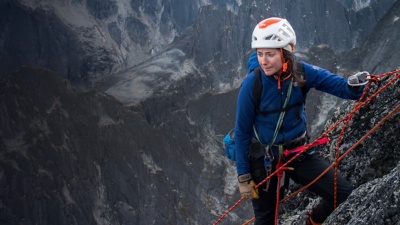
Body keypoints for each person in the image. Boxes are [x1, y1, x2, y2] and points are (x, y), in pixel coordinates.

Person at [234, 17, 366, 225]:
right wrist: (243, 176)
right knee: (266, 220)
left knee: (343, 194)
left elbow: (338, 86)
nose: (263, 60)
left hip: (298, 153)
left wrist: (357, 86)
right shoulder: (252, 84)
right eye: (260, 54)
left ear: (286, 52)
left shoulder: (302, 72)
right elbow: (241, 133)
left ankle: (312, 222)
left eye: (270, 54)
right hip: (264, 162)